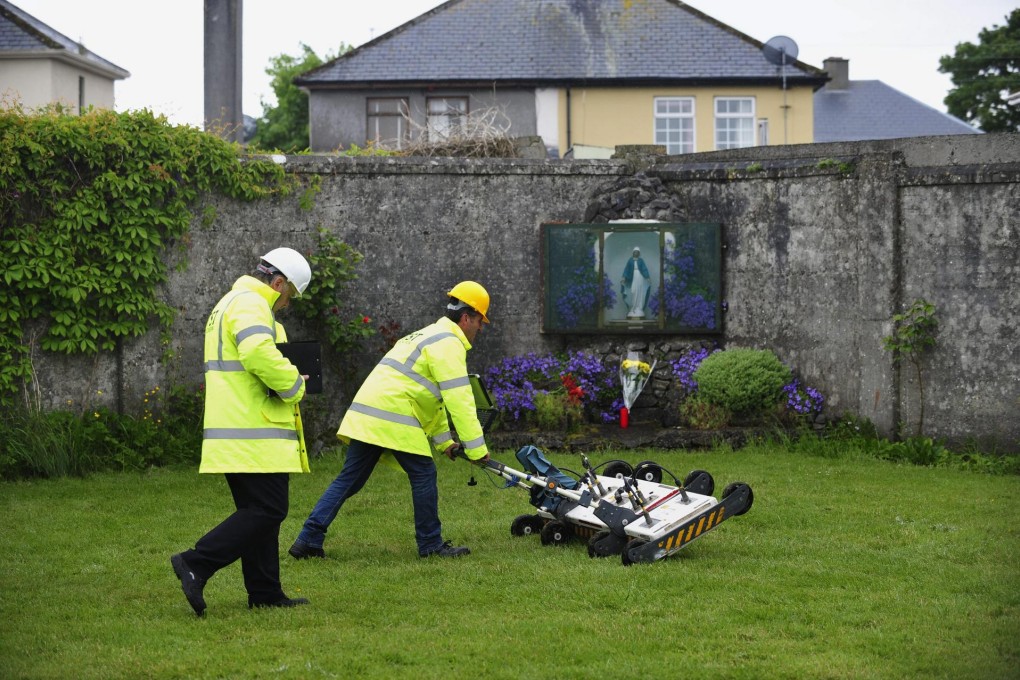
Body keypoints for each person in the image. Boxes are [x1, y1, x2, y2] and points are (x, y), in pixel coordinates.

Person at [289, 281, 492, 560]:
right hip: (394, 415)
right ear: (467, 317)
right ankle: (431, 545)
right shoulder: (448, 343)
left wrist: (445, 441)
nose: (481, 328)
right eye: (481, 321)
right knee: (423, 473)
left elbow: (429, 397)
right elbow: (459, 399)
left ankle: (308, 540)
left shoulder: (425, 335)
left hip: (369, 412)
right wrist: (477, 449)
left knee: (349, 479)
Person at [170, 247, 313, 616]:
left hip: (239, 429)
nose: (287, 304)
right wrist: (295, 384)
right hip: (254, 429)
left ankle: (265, 591)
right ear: (278, 283)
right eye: (290, 295)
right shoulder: (251, 304)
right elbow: (257, 354)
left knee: (257, 510)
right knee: (268, 509)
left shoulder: (230, 302)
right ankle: (195, 562)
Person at [621, 247, 651, 318]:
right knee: (633, 291)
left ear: (639, 253)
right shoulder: (630, 261)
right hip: (633, 277)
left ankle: (639, 308)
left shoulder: (641, 261)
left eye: (637, 252)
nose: (636, 253)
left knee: (640, 291)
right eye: (635, 252)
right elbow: (626, 269)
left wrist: (648, 277)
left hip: (640, 277)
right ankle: (633, 307)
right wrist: (624, 277)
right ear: (633, 253)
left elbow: (644, 269)